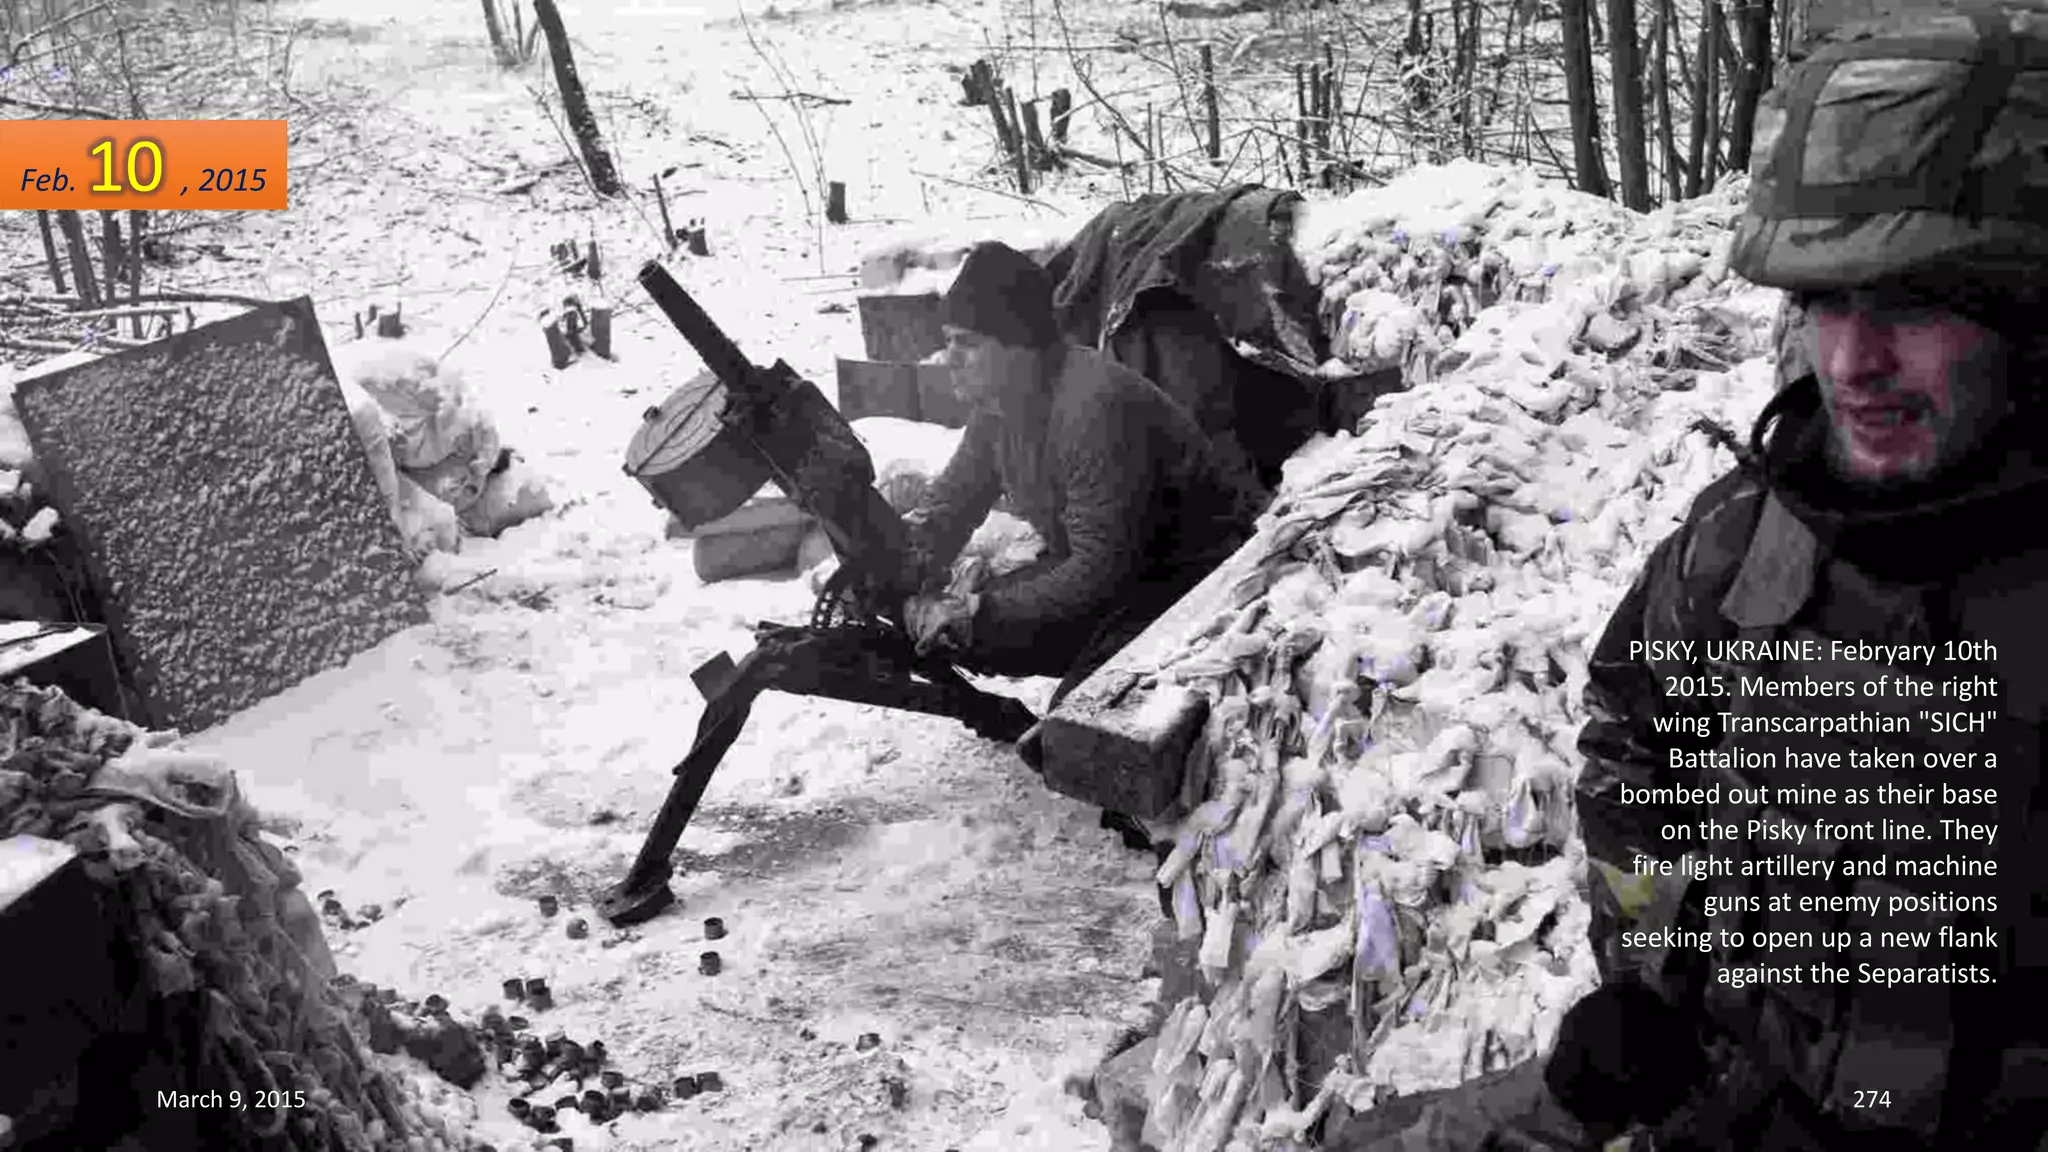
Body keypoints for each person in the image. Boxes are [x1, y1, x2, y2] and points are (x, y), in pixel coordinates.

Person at [1327, 5, 2048, 1148]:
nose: (1849, 363)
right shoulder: (1750, 537)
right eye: (1820, 300)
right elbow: (1633, 739)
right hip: (1724, 1081)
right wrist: (1647, 971)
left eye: (1910, 304)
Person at [896, 240, 1259, 732]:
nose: (950, 358)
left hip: (1195, 586)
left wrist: (976, 610)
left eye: (969, 343)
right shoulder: (999, 406)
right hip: (1122, 579)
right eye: (949, 341)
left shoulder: (1092, 405)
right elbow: (953, 500)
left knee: (1080, 732)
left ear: (1020, 344)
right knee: (959, 633)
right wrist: (905, 558)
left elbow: (1098, 570)